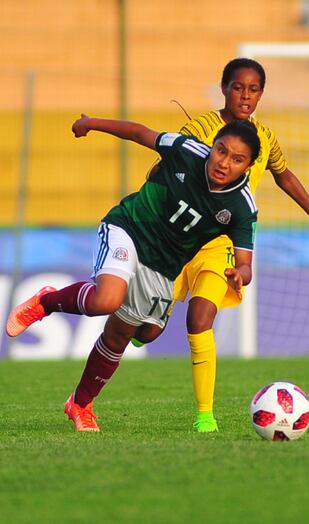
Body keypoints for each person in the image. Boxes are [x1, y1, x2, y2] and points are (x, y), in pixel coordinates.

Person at [81, 58, 309, 434]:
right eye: (238, 87)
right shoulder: (202, 127)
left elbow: (284, 175)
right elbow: (168, 161)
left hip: (222, 244)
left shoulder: (264, 139)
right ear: (224, 88)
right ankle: (127, 328)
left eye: (253, 89)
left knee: (199, 318)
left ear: (261, 94)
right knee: (147, 332)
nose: (245, 96)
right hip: (176, 239)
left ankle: (205, 416)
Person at [6, 116, 261, 432]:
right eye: (221, 150)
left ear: (247, 167)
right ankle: (47, 303)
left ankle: (77, 401)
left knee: (141, 333)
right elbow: (141, 133)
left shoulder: (242, 206)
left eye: (237, 159)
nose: (224, 162)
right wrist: (92, 124)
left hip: (164, 265)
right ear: (212, 146)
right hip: (130, 227)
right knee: (107, 300)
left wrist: (240, 273)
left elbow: (246, 263)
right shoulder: (187, 150)